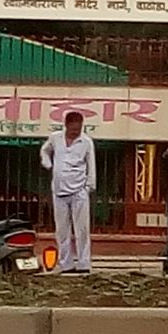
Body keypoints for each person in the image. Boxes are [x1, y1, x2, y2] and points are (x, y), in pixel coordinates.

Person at [40, 111, 96, 274]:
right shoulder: (55, 138)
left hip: (79, 191)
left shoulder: (86, 142)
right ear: (66, 125)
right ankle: (66, 264)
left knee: (82, 230)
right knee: (62, 230)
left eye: (78, 129)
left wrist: (88, 187)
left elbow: (91, 165)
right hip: (59, 191)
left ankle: (84, 264)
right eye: (72, 130)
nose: (75, 132)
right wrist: (48, 163)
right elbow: (44, 151)